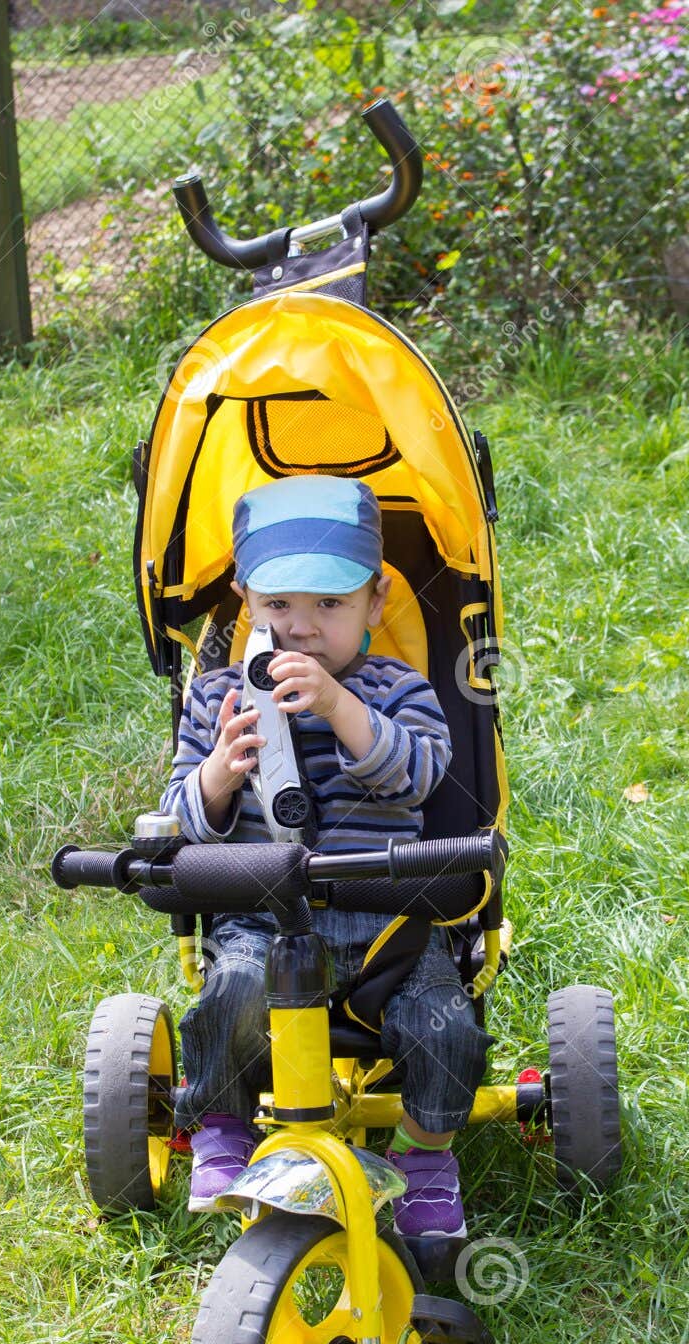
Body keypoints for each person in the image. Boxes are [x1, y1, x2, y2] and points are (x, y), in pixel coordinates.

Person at [160, 474, 493, 1238]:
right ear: (246, 602)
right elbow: (182, 822)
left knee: (446, 1025)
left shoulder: (395, 688)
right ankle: (220, 1126)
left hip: (387, 927)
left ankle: (424, 1152)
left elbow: (417, 776)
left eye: (329, 606)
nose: (302, 629)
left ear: (376, 603)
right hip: (262, 916)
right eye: (279, 606)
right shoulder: (217, 700)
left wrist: (341, 708)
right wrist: (219, 773)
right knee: (229, 996)